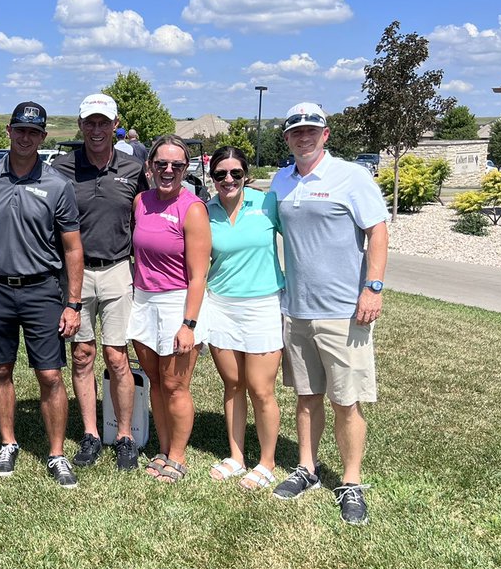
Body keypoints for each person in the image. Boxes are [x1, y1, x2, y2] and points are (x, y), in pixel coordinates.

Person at [269, 102, 388, 526]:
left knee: (346, 400)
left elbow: (377, 230)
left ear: (326, 134)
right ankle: (307, 468)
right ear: (287, 138)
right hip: (297, 310)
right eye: (295, 131)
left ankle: (352, 482)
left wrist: (372, 288)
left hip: (344, 313)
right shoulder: (280, 182)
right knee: (306, 396)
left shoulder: (352, 177)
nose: (303, 136)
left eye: (311, 130)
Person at [0, 101, 84, 488]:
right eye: (19, 130)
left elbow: (72, 248)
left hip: (42, 289)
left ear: (43, 137)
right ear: (9, 131)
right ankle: (8, 443)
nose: (25, 137)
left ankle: (56, 453)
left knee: (50, 374)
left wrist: (72, 303)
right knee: (0, 368)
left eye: (33, 132)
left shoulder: (57, 185)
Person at [51, 93, 147, 470]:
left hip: (118, 269)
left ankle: (124, 435)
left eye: (103, 123)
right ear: (79, 125)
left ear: (115, 124)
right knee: (82, 355)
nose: (96, 129)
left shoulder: (133, 168)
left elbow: (151, 211)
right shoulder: (61, 168)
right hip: (75, 273)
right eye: (89, 122)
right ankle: (90, 433)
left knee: (117, 356)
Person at [127, 135, 211, 483]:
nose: (168, 170)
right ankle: (163, 448)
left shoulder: (192, 208)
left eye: (177, 165)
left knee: (176, 385)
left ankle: (177, 456)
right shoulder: (140, 201)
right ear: (150, 166)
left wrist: (189, 324)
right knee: (157, 383)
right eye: (161, 163)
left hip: (178, 304)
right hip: (143, 301)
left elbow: (198, 275)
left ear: (186, 168)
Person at [201, 146, 284, 491]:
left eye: (235, 173)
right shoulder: (206, 211)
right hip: (221, 305)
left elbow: (298, 241)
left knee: (261, 389)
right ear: (212, 178)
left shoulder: (267, 204)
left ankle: (267, 462)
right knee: (233, 384)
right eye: (220, 174)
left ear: (246, 174)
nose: (228, 179)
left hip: (263, 305)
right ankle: (236, 456)